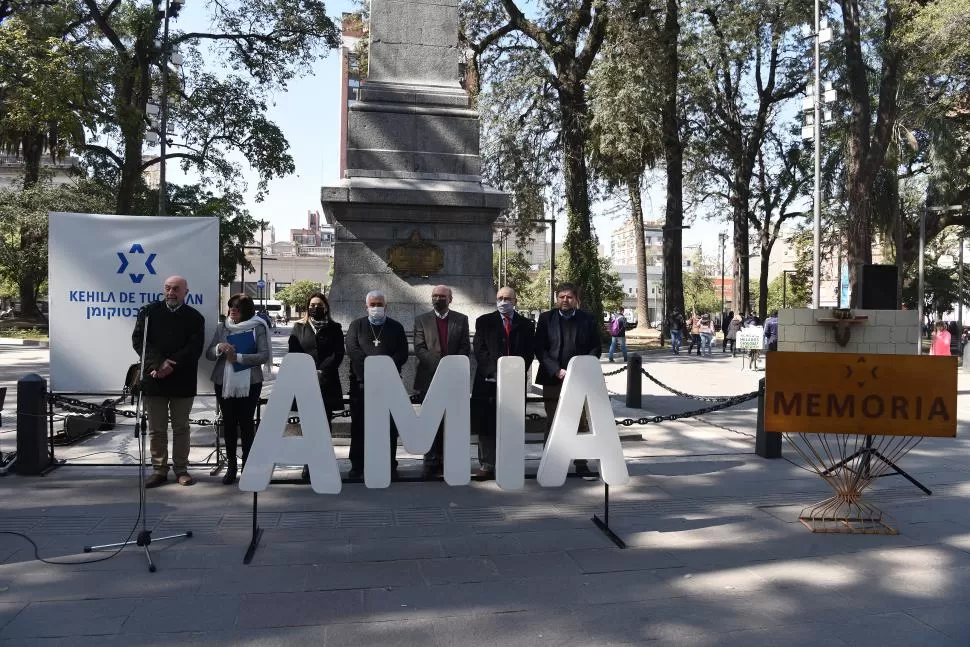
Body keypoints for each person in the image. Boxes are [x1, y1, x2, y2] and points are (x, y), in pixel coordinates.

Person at [132, 275, 205, 488]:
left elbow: (194, 348)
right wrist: (157, 364)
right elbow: (139, 341)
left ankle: (181, 469)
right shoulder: (148, 313)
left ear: (185, 292)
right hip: (155, 379)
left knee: (181, 427)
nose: (171, 293)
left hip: (182, 380)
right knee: (156, 429)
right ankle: (159, 470)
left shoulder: (195, 317)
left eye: (176, 289)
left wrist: (169, 365)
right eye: (167, 288)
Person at [534, 283, 601, 476]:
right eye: (561, 296)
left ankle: (581, 464)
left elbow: (595, 347)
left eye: (569, 297)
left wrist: (580, 368)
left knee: (579, 421)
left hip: (579, 379)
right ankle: (549, 460)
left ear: (576, 299)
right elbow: (540, 348)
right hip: (553, 378)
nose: (565, 300)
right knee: (553, 420)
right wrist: (556, 370)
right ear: (557, 299)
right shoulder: (546, 318)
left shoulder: (587, 319)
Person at [206, 293, 271, 485]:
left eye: (237, 307)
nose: (232, 310)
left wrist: (239, 358)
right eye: (230, 306)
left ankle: (248, 466)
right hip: (223, 382)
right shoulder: (222, 327)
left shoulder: (258, 327)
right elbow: (209, 354)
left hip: (250, 383)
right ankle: (231, 466)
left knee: (246, 423)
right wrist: (219, 347)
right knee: (229, 423)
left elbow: (264, 355)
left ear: (246, 310)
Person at [471, 287, 535, 480]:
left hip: (514, 382)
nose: (503, 302)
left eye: (507, 298)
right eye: (500, 298)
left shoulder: (526, 324)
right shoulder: (484, 322)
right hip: (488, 381)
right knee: (487, 424)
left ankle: (509, 462)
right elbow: (479, 349)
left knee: (512, 423)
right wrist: (493, 371)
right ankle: (487, 464)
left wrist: (513, 372)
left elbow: (529, 351)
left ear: (515, 301)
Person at [345, 290, 408, 479]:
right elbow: (352, 350)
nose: (376, 308)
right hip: (361, 384)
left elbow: (402, 353)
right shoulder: (356, 326)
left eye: (379, 304)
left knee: (389, 427)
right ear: (366, 307)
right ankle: (358, 465)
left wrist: (385, 368)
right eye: (372, 304)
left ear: (386, 306)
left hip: (389, 384)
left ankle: (389, 464)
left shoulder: (396, 327)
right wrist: (371, 369)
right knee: (359, 426)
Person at [413, 285, 470, 478]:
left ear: (450, 299)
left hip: (454, 380)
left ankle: (448, 460)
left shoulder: (461, 320)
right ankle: (430, 461)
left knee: (450, 423)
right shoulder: (421, 320)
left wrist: (451, 368)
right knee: (430, 422)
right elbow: (419, 349)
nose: (438, 299)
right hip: (429, 378)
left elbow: (465, 347)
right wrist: (441, 367)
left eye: (442, 296)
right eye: (435, 296)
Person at [288, 292, 344, 481]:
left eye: (318, 304)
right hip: (305, 382)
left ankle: (324, 461)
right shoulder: (298, 327)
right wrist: (308, 370)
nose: (315, 308)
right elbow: (294, 351)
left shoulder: (335, 328)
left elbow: (338, 353)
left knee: (325, 424)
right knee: (308, 425)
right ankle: (308, 463)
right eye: (312, 305)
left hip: (326, 382)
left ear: (326, 307)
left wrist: (321, 371)